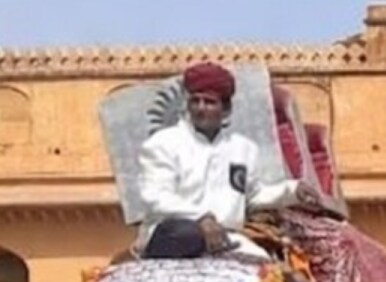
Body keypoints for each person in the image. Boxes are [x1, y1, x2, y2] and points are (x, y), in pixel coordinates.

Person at [135, 62, 322, 259]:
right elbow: (156, 197)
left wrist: (293, 191)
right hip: (173, 236)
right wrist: (201, 218)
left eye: (209, 102)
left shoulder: (243, 149)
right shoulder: (163, 143)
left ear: (226, 110)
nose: (200, 108)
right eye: (195, 101)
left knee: (266, 268)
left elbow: (253, 196)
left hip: (225, 237)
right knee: (187, 234)